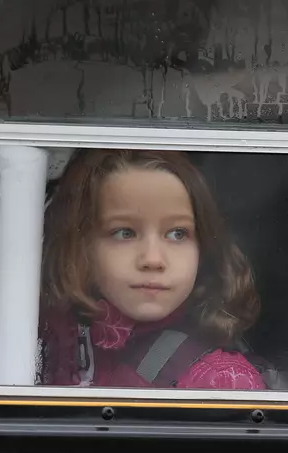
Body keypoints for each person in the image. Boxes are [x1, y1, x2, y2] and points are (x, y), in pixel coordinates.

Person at [37, 148, 267, 390]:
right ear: (80, 245)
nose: (153, 259)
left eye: (178, 234)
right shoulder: (47, 342)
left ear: (204, 249)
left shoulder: (217, 380)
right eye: (125, 233)